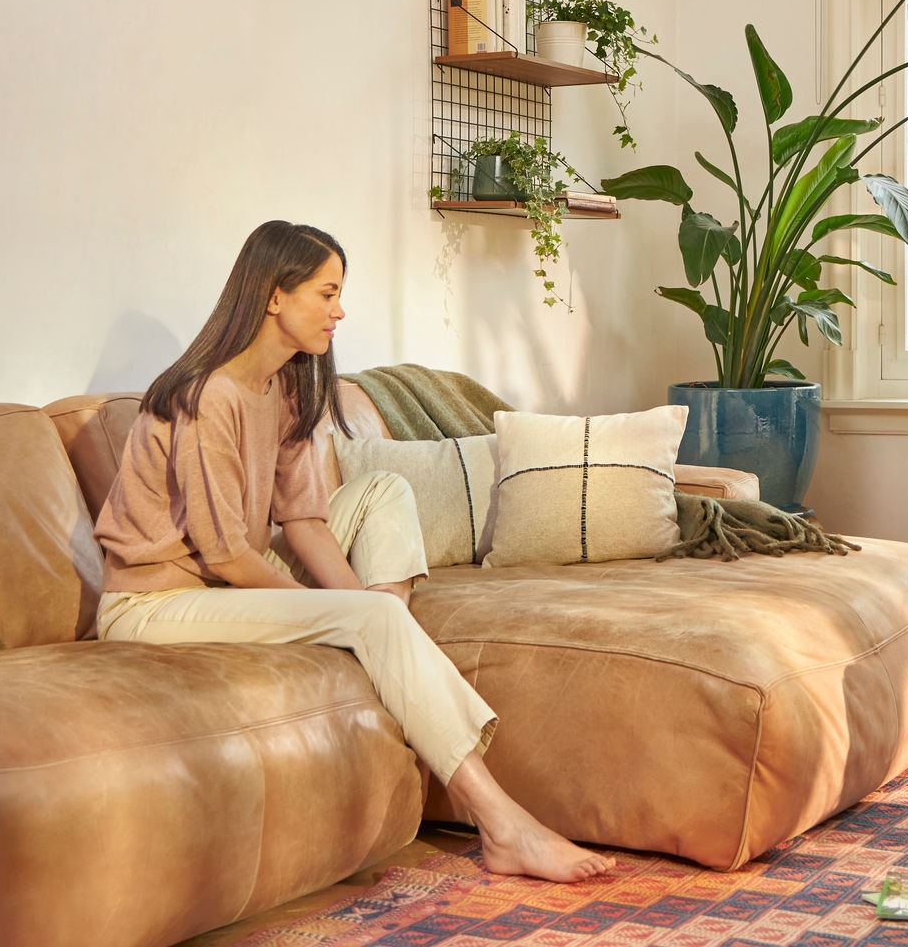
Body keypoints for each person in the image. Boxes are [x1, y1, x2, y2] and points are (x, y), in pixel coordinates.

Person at [94, 220, 614, 882]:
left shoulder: (284, 385)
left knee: (383, 492)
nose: (339, 311)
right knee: (370, 617)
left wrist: (363, 612)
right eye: (327, 293)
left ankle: (385, 649)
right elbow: (225, 557)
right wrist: (347, 613)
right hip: (155, 604)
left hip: (224, 580)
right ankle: (502, 825)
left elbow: (304, 520)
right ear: (274, 296)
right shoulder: (207, 396)